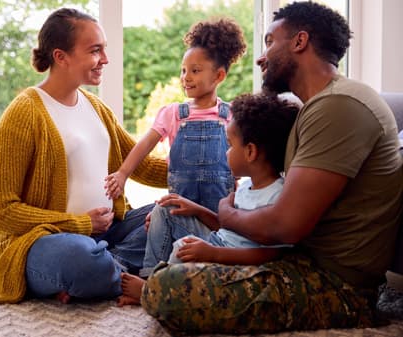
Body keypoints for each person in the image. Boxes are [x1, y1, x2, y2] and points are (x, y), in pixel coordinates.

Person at [140, 2, 403, 335]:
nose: (260, 57)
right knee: (170, 233)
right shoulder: (317, 107)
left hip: (336, 284)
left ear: (299, 42)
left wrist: (225, 211)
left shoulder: (340, 106)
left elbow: (283, 227)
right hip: (298, 259)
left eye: (268, 42)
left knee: (169, 288)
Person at [0, 8, 167, 305]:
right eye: (95, 51)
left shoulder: (96, 108)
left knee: (172, 216)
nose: (105, 59)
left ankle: (103, 272)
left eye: (104, 50)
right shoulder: (24, 112)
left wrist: (207, 170)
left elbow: (139, 163)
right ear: (60, 56)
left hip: (111, 232)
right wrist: (79, 224)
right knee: (80, 258)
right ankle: (119, 274)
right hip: (43, 242)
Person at [117, 93, 299, 305]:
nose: (226, 153)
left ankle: (156, 292)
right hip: (218, 242)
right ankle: (150, 279)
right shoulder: (247, 186)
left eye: (230, 145)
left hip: (234, 262)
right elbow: (230, 226)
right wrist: (197, 210)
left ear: (250, 152)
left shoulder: (277, 196)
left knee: (184, 248)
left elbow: (270, 255)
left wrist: (214, 254)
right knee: (167, 208)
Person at [104, 19, 246, 212]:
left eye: (195, 71)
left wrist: (235, 178)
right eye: (183, 70)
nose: (186, 77)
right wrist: (122, 174)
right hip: (178, 212)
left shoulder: (231, 115)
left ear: (219, 76)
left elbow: (244, 156)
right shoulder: (173, 114)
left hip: (219, 215)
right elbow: (144, 145)